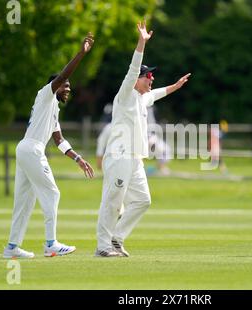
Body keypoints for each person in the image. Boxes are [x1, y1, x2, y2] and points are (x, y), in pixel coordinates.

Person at [95, 21, 191, 257]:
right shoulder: (126, 94)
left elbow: (156, 94)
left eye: (152, 77)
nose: (151, 79)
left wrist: (175, 87)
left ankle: (116, 238)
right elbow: (132, 69)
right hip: (118, 156)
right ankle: (103, 246)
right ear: (137, 79)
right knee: (113, 201)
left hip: (135, 158)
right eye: (148, 76)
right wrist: (142, 42)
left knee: (142, 201)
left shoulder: (142, 98)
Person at [3, 33, 96, 259]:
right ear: (55, 86)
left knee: (25, 202)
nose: (68, 89)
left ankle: (12, 248)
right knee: (52, 193)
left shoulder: (53, 109)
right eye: (65, 85)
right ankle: (51, 244)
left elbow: (59, 141)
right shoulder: (45, 95)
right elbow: (64, 73)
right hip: (32, 150)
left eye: (69, 86)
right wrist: (81, 54)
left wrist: (78, 159)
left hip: (26, 150)